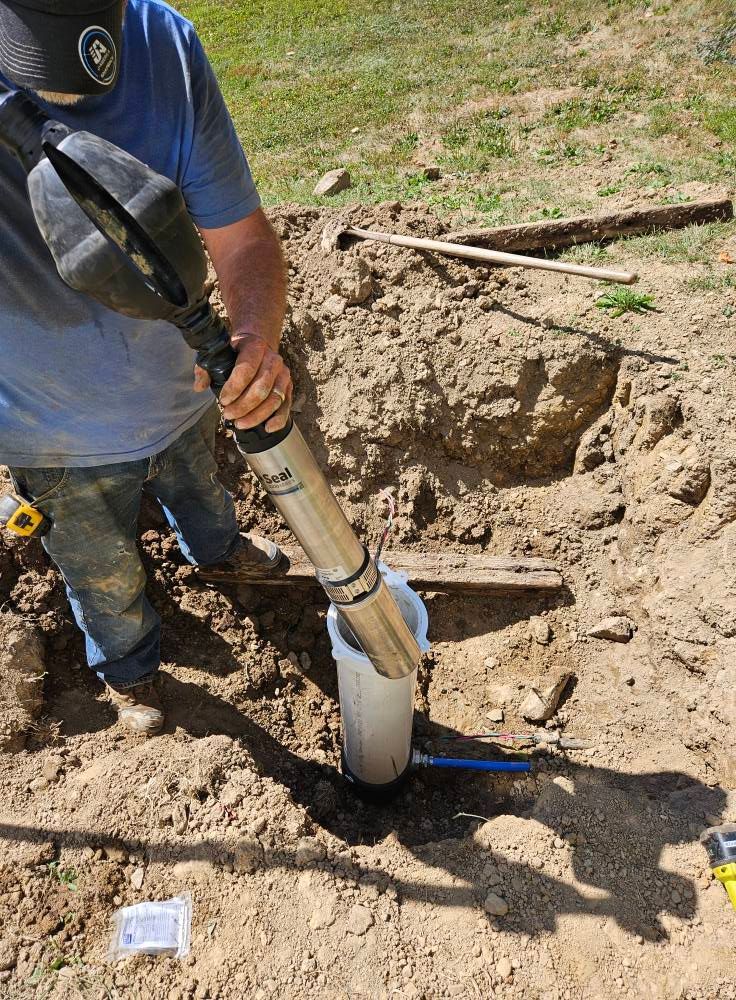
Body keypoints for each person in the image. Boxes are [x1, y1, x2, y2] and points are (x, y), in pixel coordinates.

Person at [0, 0, 292, 736]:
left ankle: (217, 548)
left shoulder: (165, 42)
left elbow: (240, 234)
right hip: (51, 434)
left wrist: (254, 335)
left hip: (186, 391)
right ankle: (129, 665)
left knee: (201, 486)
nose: (71, 90)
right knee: (104, 576)